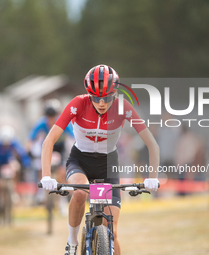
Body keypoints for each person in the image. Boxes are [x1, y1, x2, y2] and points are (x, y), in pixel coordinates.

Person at [40, 64, 160, 255]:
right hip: (80, 160)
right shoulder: (78, 104)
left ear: (115, 94)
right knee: (79, 194)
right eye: (96, 98)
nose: (102, 103)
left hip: (107, 164)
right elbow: (49, 141)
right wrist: (46, 176)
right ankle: (72, 243)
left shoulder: (123, 107)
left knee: (111, 229)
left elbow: (152, 143)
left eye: (107, 98)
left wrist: (152, 177)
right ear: (89, 95)